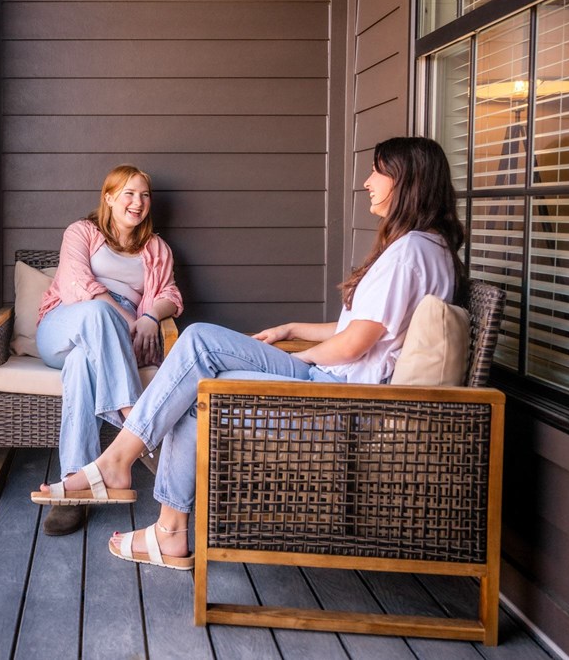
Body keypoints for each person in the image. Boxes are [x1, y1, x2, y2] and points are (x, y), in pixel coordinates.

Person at [31, 136, 467, 570]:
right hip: (346, 383)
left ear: (405, 181)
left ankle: (118, 461)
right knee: (197, 386)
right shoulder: (430, 249)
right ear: (108, 199)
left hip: (342, 391)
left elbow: (356, 343)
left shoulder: (408, 252)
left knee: (198, 341)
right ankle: (168, 532)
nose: (368, 181)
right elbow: (365, 327)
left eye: (379, 171)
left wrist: (304, 358)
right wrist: (291, 328)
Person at [34, 164, 183, 536]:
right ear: (109, 198)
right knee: (98, 311)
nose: (138, 202)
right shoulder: (82, 232)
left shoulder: (156, 249)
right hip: (64, 325)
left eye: (144, 195)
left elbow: (170, 295)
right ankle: (137, 422)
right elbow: (75, 284)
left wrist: (149, 316)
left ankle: (75, 484)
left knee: (83, 365)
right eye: (129, 194)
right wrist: (124, 317)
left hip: (112, 341)